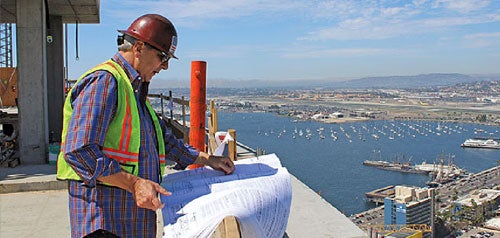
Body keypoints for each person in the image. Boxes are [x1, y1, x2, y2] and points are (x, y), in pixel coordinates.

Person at [56, 14, 235, 238]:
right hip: (105, 221)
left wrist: (208, 160)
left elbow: (163, 140)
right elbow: (79, 151)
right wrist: (134, 184)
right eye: (163, 56)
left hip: (131, 220)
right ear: (139, 48)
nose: (165, 66)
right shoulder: (105, 82)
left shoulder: (133, 89)